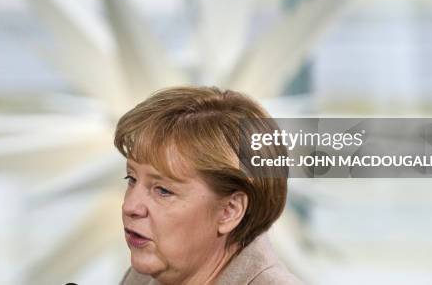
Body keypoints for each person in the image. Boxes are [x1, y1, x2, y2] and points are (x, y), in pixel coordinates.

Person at [115, 86, 304, 285]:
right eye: (131, 179)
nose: (130, 207)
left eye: (163, 190)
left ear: (229, 211)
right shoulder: (140, 277)